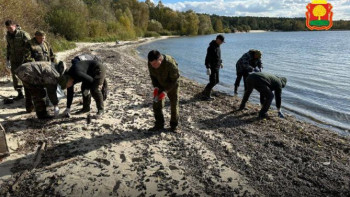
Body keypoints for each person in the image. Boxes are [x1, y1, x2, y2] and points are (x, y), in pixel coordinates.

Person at [147, 50, 180, 132]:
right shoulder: (151, 63)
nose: (153, 66)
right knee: (156, 103)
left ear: (160, 59)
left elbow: (175, 80)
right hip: (160, 83)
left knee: (174, 104)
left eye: (155, 64)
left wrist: (166, 91)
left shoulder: (170, 63)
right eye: (151, 64)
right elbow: (152, 76)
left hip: (172, 85)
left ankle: (174, 126)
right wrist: (156, 87)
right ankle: (159, 124)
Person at [5, 20, 33, 111]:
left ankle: (30, 94)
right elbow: (8, 47)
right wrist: (8, 58)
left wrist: (28, 58)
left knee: (25, 76)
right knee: (15, 76)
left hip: (24, 60)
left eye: (10, 27)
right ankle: (20, 93)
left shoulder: (23, 34)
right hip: (14, 59)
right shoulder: (8, 36)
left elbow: (30, 46)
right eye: (8, 28)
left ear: (15, 26)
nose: (9, 29)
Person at [202, 34, 225, 101]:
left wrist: (221, 62)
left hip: (217, 67)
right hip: (212, 67)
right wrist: (208, 67)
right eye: (221, 41)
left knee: (217, 81)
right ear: (217, 39)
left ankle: (205, 92)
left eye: (222, 42)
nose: (222, 43)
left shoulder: (218, 46)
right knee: (212, 82)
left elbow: (218, 56)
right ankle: (206, 96)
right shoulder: (211, 47)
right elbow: (207, 58)